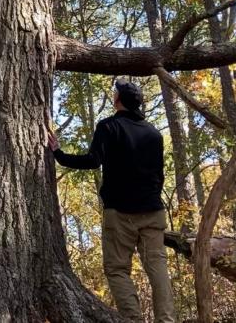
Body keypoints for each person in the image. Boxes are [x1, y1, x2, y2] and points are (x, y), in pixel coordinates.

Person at [48, 80, 175, 323]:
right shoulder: (154, 134)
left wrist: (59, 155)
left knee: (117, 269)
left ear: (118, 101)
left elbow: (93, 160)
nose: (113, 95)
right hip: (153, 210)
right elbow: (159, 175)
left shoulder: (108, 126)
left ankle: (133, 319)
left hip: (121, 212)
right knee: (157, 267)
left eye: (114, 93)